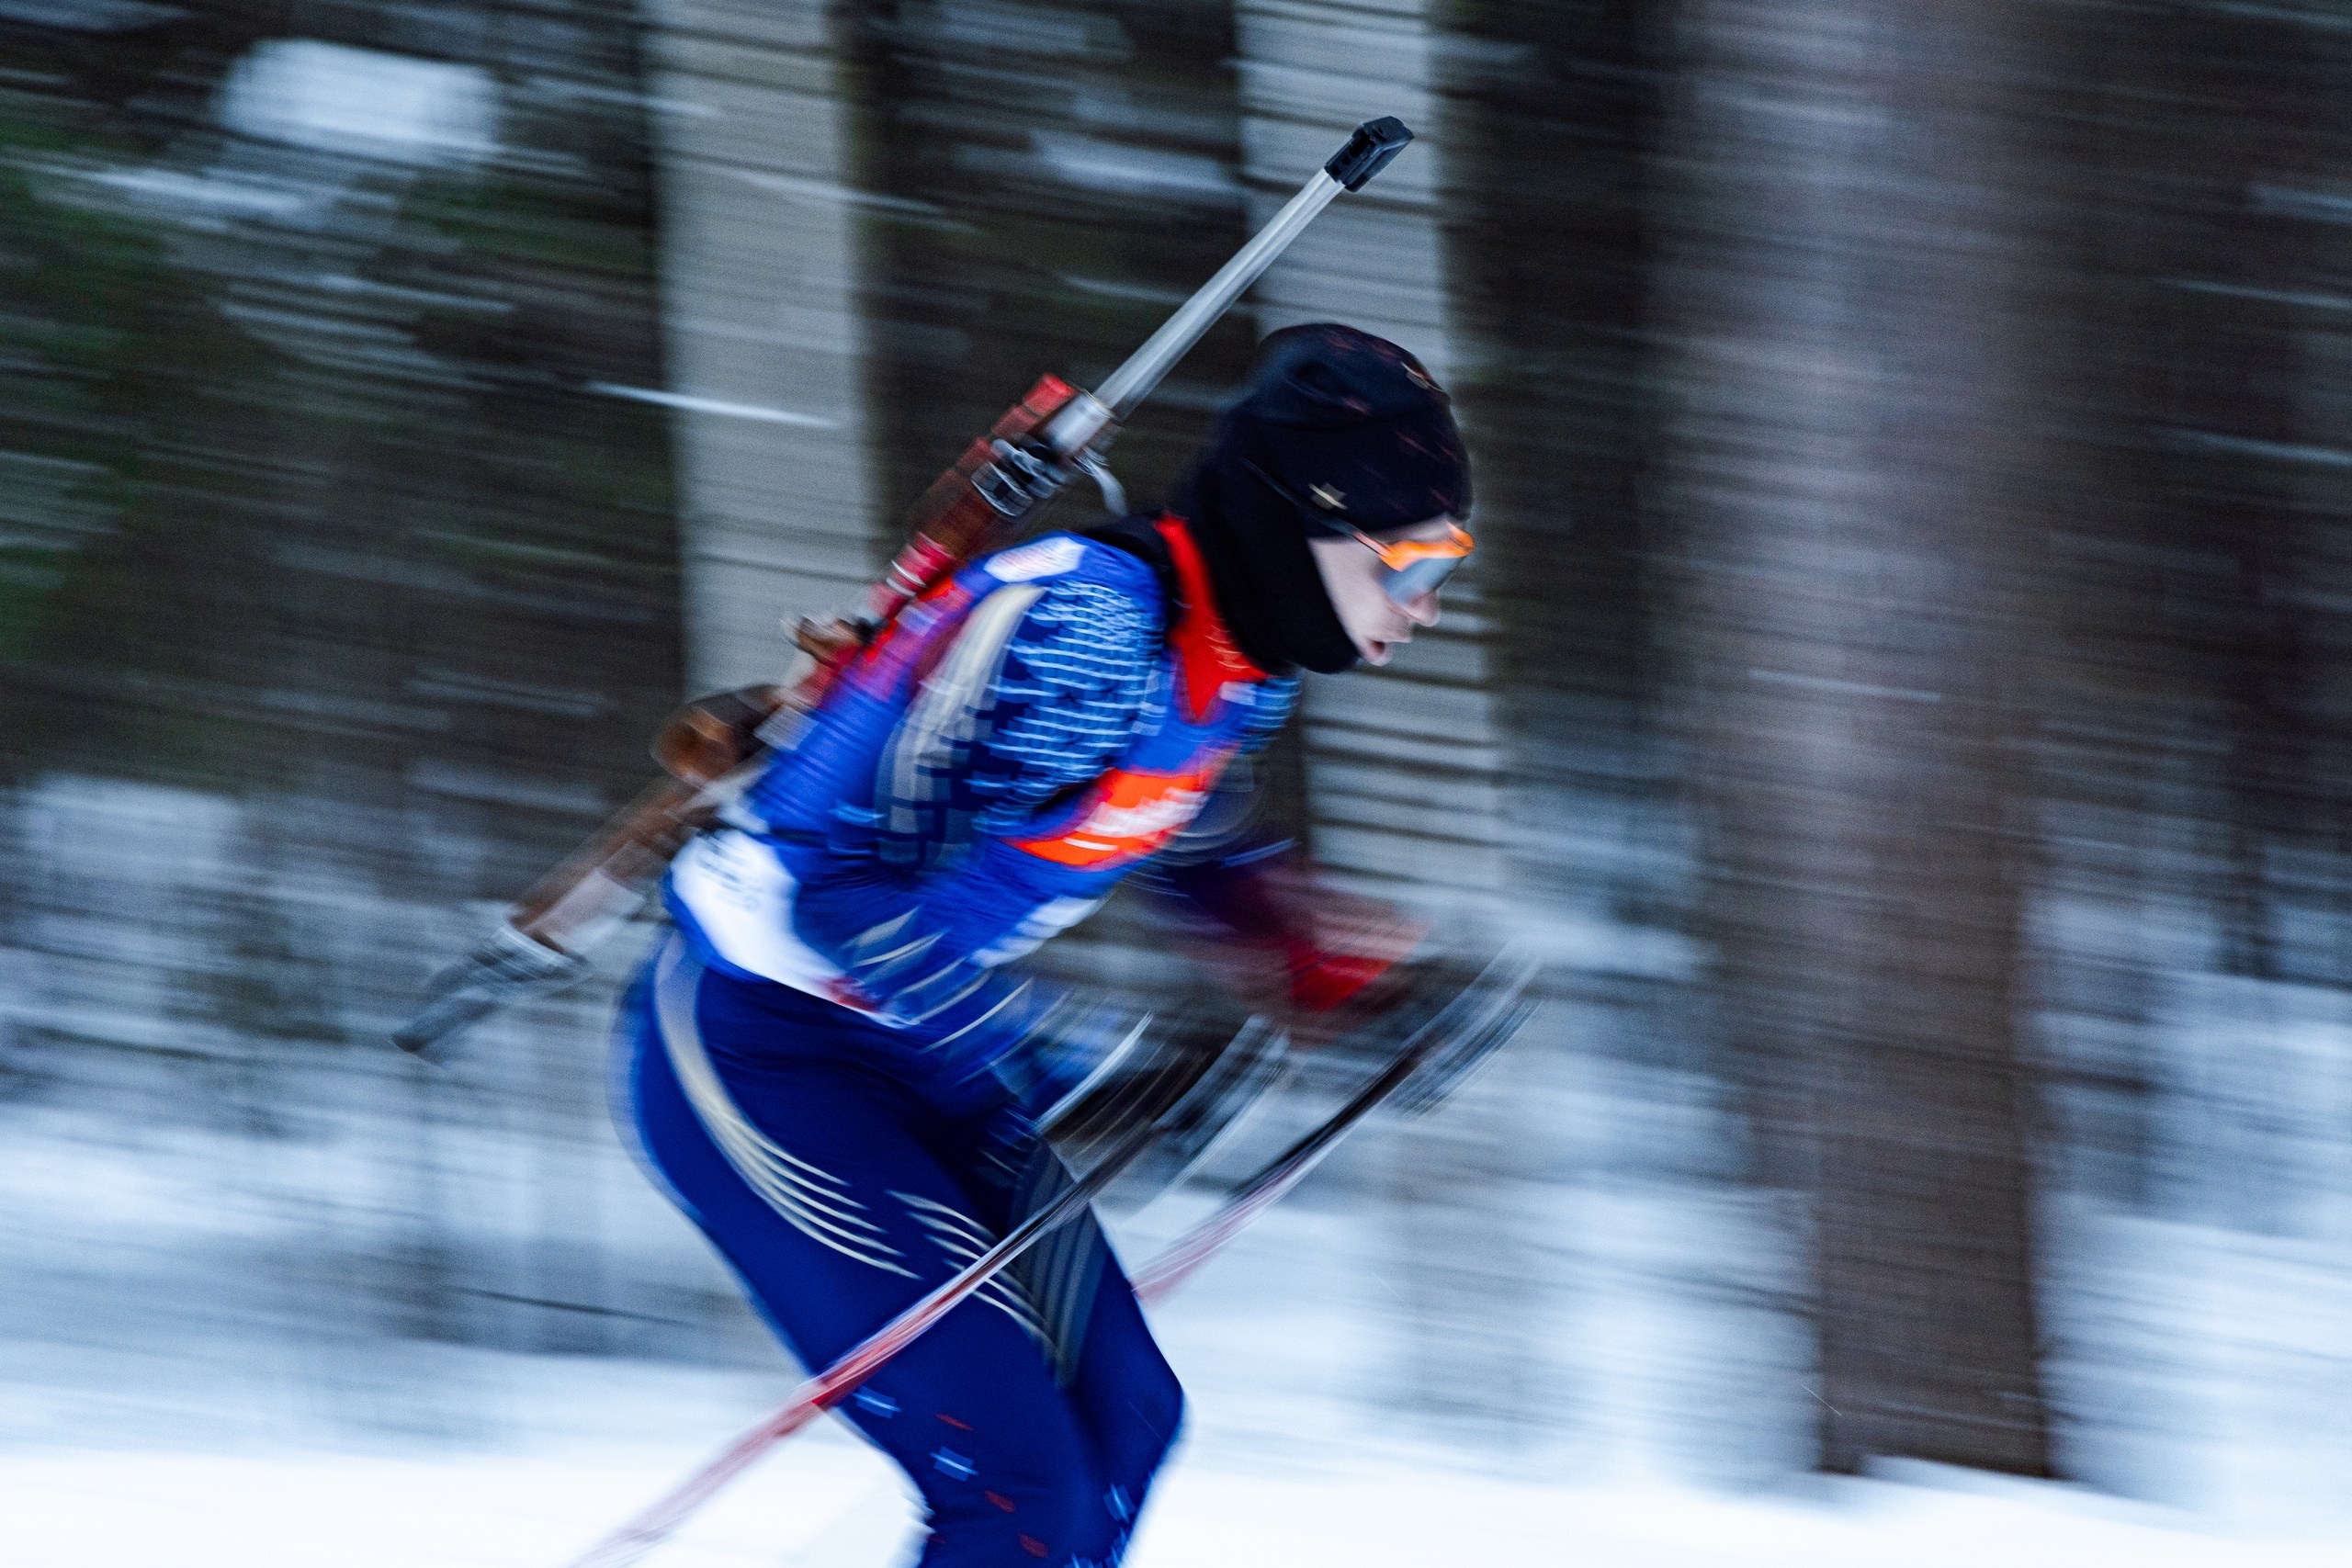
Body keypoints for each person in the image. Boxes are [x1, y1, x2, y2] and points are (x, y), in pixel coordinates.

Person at [618, 322, 1474, 1568]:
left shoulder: (1235, 664)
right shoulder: (1086, 620)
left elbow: (1180, 839)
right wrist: (1069, 1063)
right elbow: (835, 893)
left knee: (1126, 1424)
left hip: (920, 1050)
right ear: (1307, 520)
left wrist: (1346, 982)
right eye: (1412, 559)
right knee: (1019, 1486)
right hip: (766, 1046)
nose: (1428, 605)